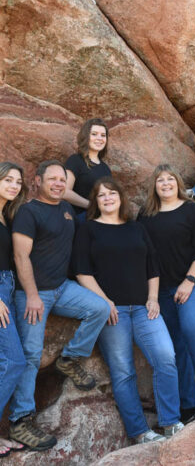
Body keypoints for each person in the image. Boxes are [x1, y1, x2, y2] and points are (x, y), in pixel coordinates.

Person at [8, 160, 110, 451]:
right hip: (32, 293)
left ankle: (69, 358)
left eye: (62, 180)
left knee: (100, 308)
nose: (57, 183)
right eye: (51, 178)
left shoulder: (66, 209)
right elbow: (20, 256)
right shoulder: (28, 211)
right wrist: (31, 295)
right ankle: (20, 420)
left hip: (62, 288)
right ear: (37, 181)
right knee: (30, 355)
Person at [73, 177, 183, 443]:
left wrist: (154, 298)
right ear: (96, 202)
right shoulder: (88, 230)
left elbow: (152, 267)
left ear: (121, 198)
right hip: (112, 312)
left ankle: (170, 422)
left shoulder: (136, 228)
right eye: (101, 195)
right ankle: (140, 431)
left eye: (112, 193)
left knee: (166, 358)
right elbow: (82, 272)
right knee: (123, 372)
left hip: (145, 307)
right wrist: (105, 302)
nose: (108, 198)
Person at [138, 164, 195, 424]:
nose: (165, 183)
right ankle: (188, 402)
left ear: (178, 182)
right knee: (175, 343)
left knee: (194, 328)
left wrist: (189, 281)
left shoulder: (193, 210)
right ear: (154, 186)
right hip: (162, 289)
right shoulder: (145, 215)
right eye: (160, 180)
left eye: (170, 179)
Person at [0, 162, 27, 458]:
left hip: (7, 286)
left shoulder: (7, 215)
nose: (13, 185)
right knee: (13, 361)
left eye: (18, 181)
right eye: (7, 179)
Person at [65, 118, 111, 220]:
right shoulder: (75, 161)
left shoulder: (106, 169)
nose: (99, 138)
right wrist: (91, 205)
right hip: (79, 219)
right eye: (94, 134)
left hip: (100, 218)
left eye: (103, 135)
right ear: (86, 136)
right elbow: (65, 192)